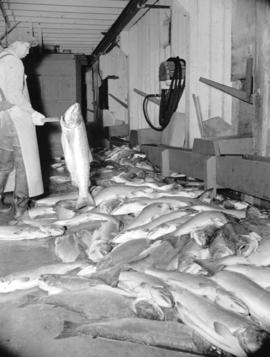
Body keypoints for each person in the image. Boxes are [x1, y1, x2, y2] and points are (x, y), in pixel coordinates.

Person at [0, 40, 45, 219]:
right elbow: (13, 94)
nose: (28, 52)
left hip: (2, 118)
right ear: (16, 44)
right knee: (24, 164)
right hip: (16, 118)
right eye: (27, 48)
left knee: (3, 165)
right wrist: (32, 112)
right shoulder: (13, 61)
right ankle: (21, 208)